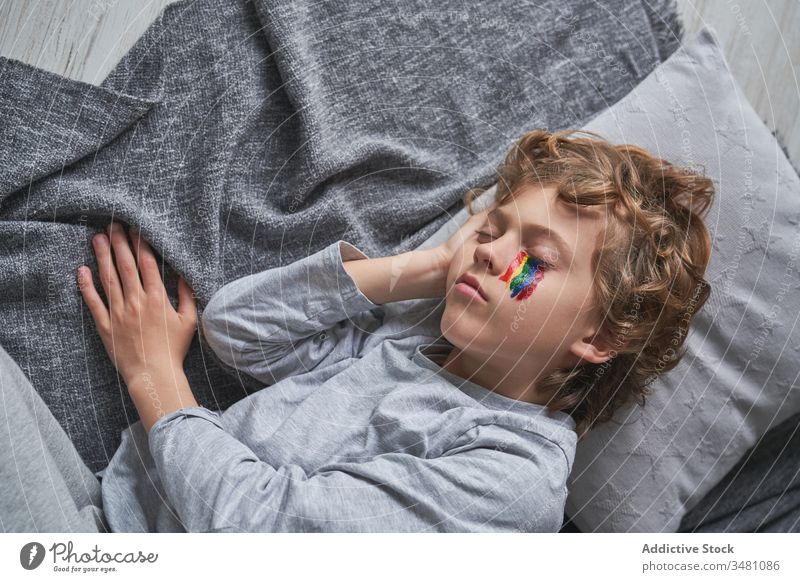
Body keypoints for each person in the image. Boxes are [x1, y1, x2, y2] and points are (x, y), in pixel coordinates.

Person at [1, 128, 715, 532]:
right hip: (109, 502)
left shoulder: (510, 480)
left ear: (600, 338)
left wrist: (154, 377)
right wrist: (433, 264)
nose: (495, 251)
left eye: (536, 258)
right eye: (491, 228)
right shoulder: (422, 340)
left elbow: (265, 534)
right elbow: (238, 330)